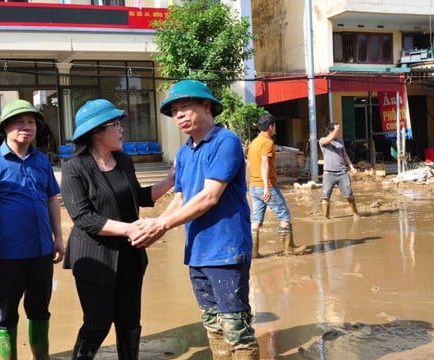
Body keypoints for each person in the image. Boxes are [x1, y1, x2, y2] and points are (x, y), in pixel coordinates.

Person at [130, 80, 260, 359]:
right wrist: (155, 227)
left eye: (185, 107)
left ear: (207, 106)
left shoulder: (226, 141)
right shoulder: (184, 152)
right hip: (198, 252)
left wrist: (162, 224)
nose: (179, 115)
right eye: (174, 110)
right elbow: (181, 198)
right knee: (212, 323)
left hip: (226, 250)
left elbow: (210, 196)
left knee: (236, 326)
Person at [61, 99, 174, 360]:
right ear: (97, 132)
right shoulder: (74, 168)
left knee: (129, 322)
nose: (122, 129)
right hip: (95, 259)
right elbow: (83, 217)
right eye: (115, 125)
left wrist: (170, 181)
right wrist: (130, 229)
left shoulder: (123, 161)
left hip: (130, 257)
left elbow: (139, 196)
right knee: (97, 324)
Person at [0, 99, 65, 360]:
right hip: (7, 255)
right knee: (5, 312)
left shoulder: (42, 161)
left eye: (31, 122)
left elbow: (51, 200)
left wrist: (58, 238)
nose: (27, 126)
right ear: (5, 128)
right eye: (20, 121)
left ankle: (41, 357)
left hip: (41, 252)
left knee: (39, 310)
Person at [247, 113, 307, 258]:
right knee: (284, 215)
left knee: (256, 220)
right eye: (274, 125)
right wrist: (267, 187)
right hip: (266, 185)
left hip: (254, 185)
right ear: (270, 127)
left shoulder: (254, 143)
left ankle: (253, 252)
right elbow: (265, 164)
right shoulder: (267, 142)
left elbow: (249, 165)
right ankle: (288, 248)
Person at [319, 123, 360, 220]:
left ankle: (355, 213)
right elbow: (328, 140)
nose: (338, 133)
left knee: (349, 194)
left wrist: (351, 166)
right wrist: (335, 129)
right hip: (329, 173)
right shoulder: (322, 140)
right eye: (337, 131)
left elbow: (345, 155)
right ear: (331, 131)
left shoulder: (340, 141)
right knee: (325, 198)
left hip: (342, 173)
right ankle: (326, 218)